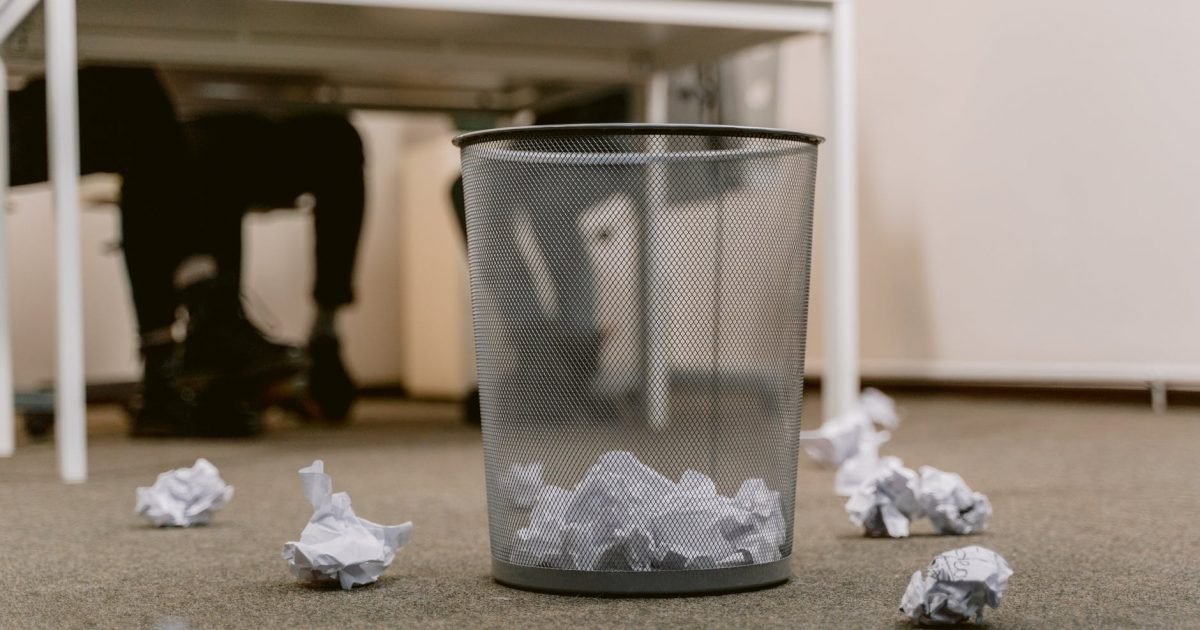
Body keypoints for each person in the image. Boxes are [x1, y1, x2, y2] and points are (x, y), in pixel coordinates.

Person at [7, 66, 362, 436]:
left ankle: (275, 331)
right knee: (150, 109)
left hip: (260, 114)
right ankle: (183, 346)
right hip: (190, 120)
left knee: (335, 137)